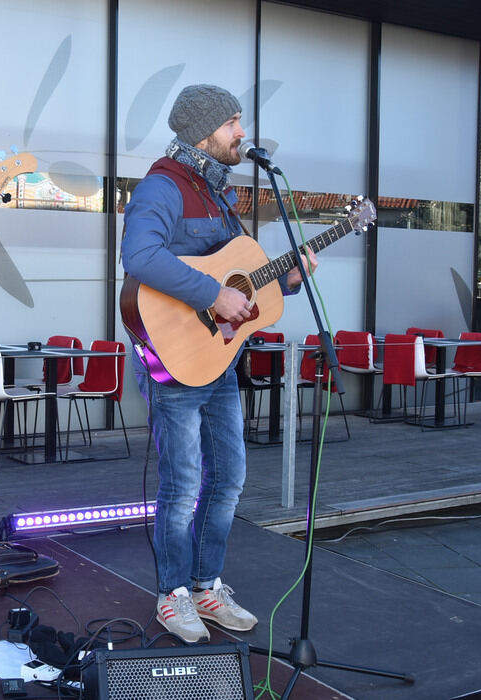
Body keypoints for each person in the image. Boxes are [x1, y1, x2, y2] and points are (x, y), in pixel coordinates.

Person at [121, 84, 317, 643]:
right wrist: (210, 295)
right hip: (175, 362)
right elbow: (139, 257)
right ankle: (172, 595)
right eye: (234, 122)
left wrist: (290, 277)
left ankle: (206, 587)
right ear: (205, 130)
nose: (243, 133)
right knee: (183, 485)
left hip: (220, 361)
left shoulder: (217, 195)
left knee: (229, 478)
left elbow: (243, 281)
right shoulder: (164, 186)